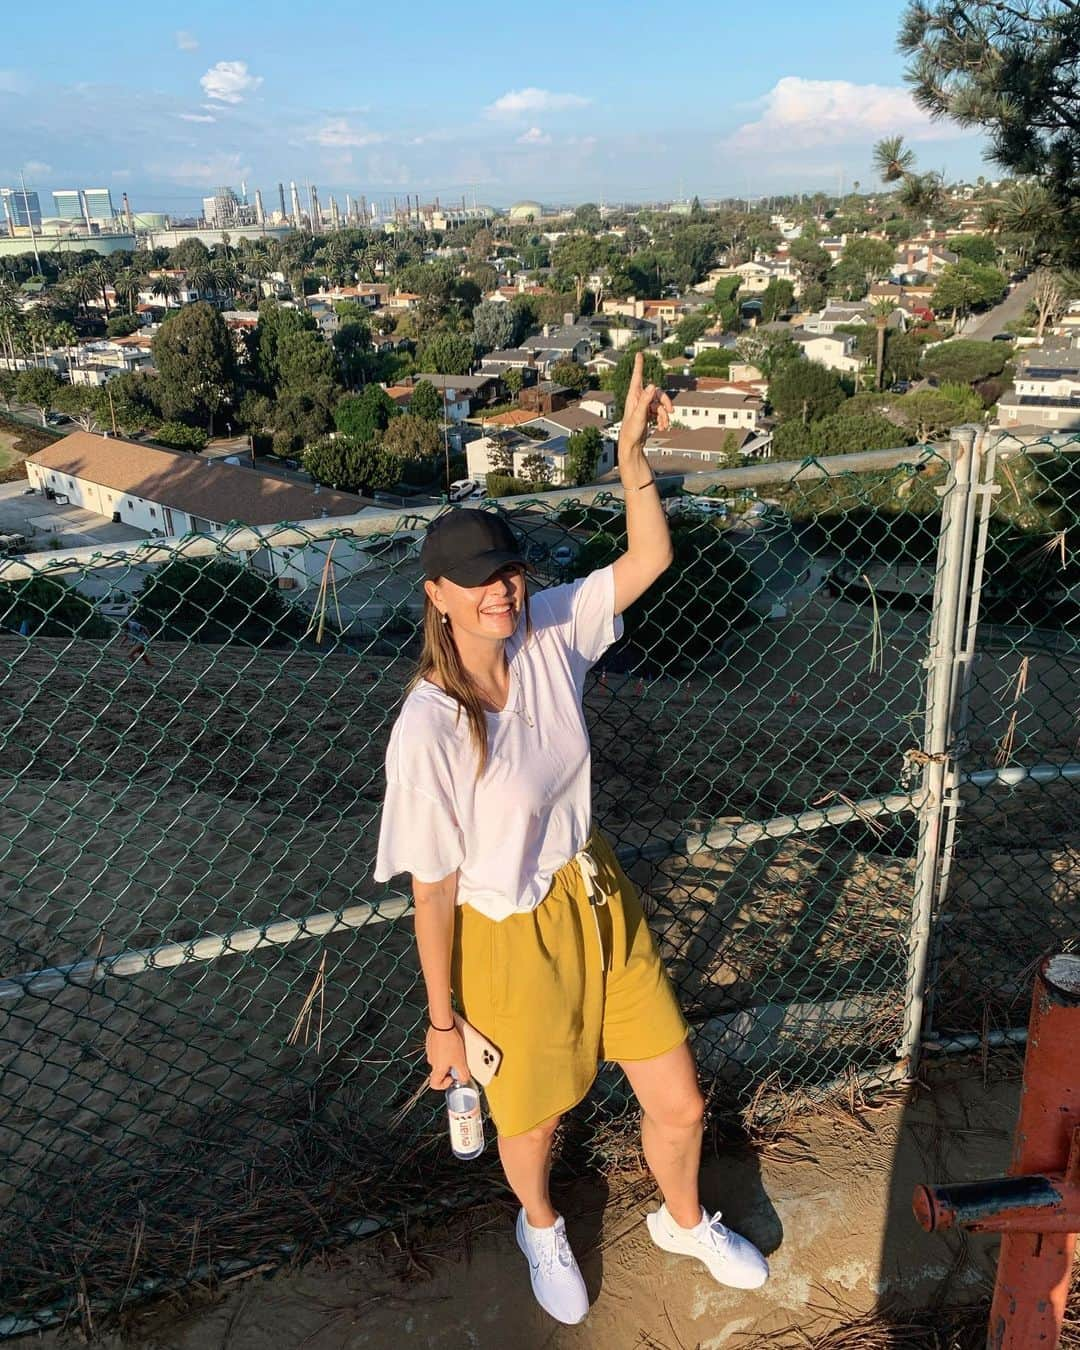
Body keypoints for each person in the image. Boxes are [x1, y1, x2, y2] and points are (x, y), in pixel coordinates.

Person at [373, 353, 768, 1326]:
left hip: (597, 897)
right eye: (476, 582)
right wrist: (442, 1020)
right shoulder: (426, 729)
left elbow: (646, 563)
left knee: (677, 1100)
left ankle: (683, 1217)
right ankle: (540, 1223)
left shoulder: (550, 630)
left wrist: (633, 457)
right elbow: (433, 887)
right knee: (535, 1120)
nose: (501, 592)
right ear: (437, 596)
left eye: (506, 570)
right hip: (507, 936)